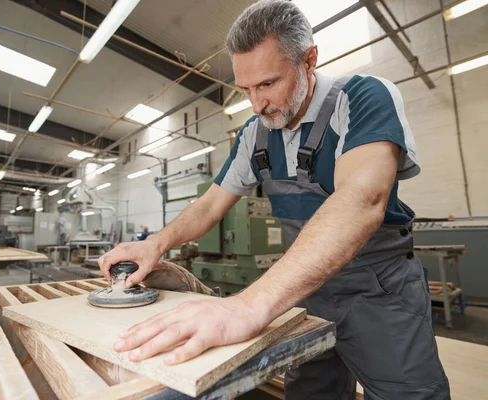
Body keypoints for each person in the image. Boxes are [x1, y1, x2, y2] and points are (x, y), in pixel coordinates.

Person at [99, 1, 450, 398]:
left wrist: (248, 306)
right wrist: (155, 243)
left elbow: (361, 201)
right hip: (303, 291)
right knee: (311, 392)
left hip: (379, 294)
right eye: (245, 89)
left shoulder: (362, 97)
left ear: (309, 60)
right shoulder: (255, 134)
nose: (256, 104)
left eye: (267, 84)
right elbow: (211, 204)